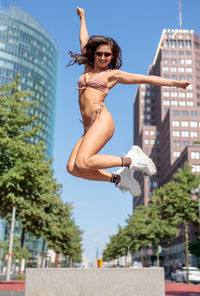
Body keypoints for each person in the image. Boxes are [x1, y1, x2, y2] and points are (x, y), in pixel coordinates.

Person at [66, 7, 190, 196]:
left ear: (112, 57)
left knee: (84, 162)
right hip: (88, 126)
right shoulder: (88, 66)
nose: (102, 57)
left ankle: (132, 160)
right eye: (99, 53)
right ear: (94, 54)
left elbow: (144, 79)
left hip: (102, 121)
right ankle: (119, 178)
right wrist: (82, 17)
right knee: (73, 168)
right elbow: (84, 39)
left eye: (107, 55)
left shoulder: (112, 75)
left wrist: (176, 83)